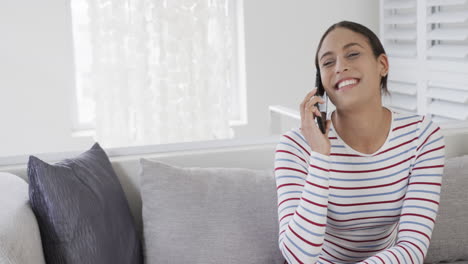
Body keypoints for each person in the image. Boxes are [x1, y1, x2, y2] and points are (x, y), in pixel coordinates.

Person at [274, 21, 445, 264]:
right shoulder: (294, 147)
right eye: (327, 62)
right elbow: (298, 257)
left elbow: (412, 248)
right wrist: (321, 155)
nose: (340, 67)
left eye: (353, 54)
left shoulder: (423, 136)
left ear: (382, 65)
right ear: (320, 82)